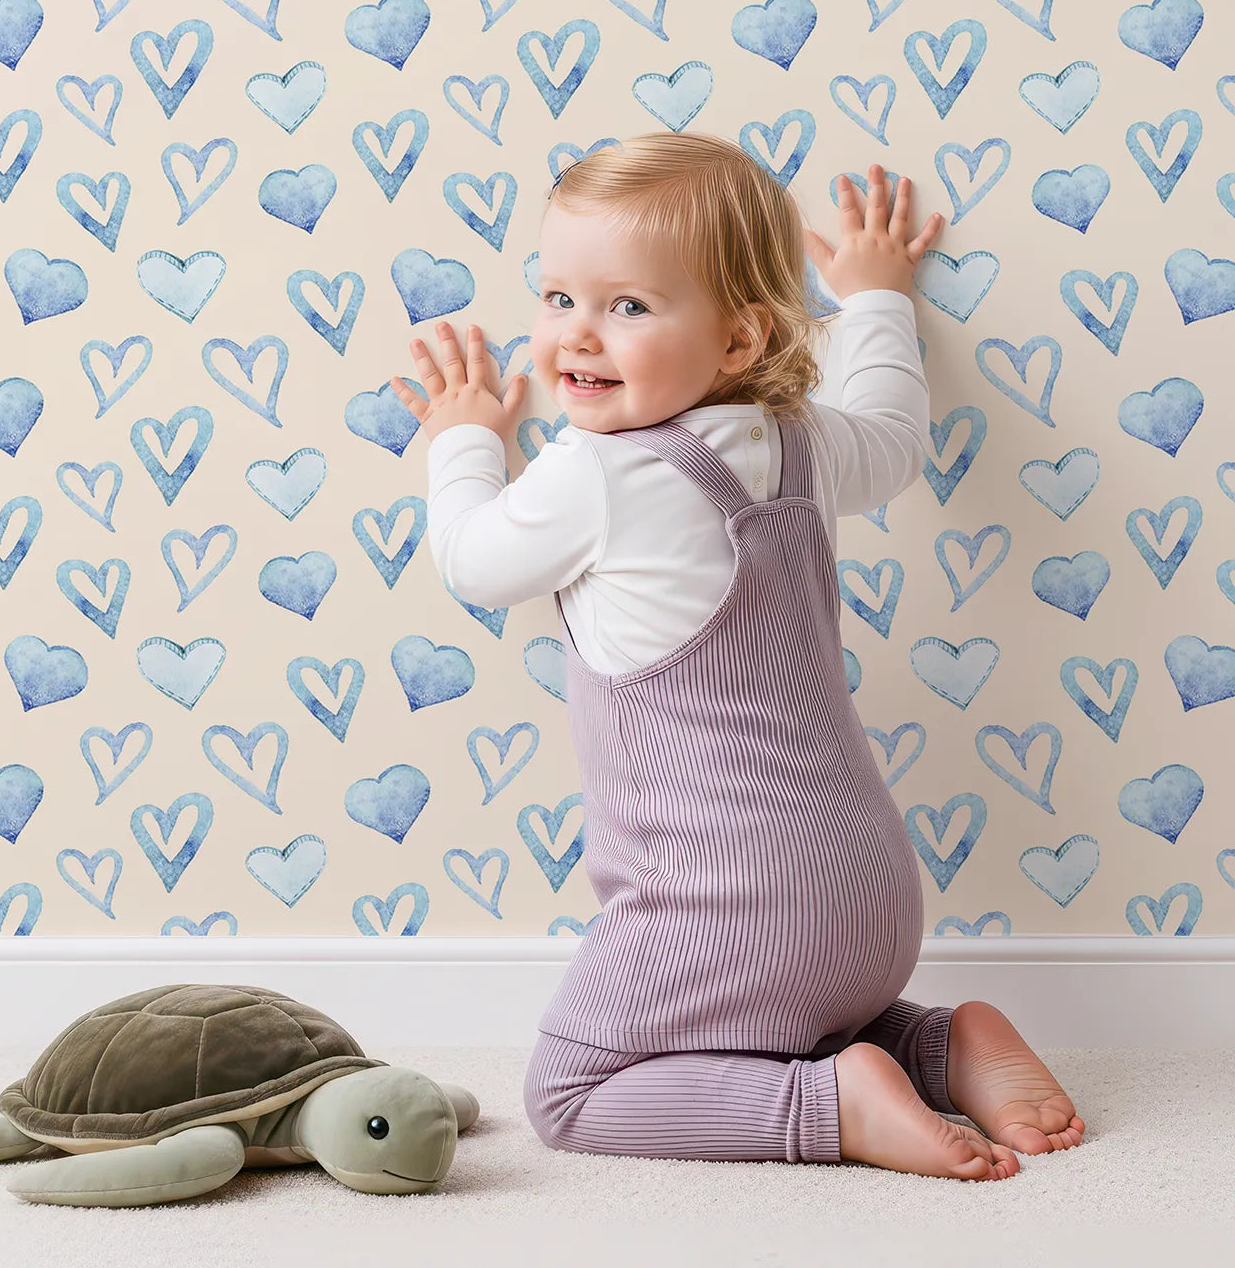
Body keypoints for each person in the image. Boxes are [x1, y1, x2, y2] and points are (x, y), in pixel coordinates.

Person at [389, 133, 1084, 1179]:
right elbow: (896, 433)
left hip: (729, 909)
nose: (576, 333)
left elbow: (473, 560)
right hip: (870, 895)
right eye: (557, 296)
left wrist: (461, 436)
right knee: (773, 1020)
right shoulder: (802, 437)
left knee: (569, 1093)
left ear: (736, 338)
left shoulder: (597, 473)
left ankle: (831, 1104)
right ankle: (934, 1046)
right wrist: (875, 299)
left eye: (627, 305)